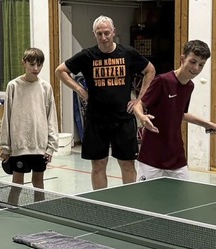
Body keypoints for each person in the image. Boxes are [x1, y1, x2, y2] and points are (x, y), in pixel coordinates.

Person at [55, 15, 155, 189]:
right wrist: (80, 90)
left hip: (123, 118)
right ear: (94, 34)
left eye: (107, 33)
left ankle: (130, 204)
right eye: (99, 33)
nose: (103, 37)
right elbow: (60, 71)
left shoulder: (128, 53)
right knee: (98, 165)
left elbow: (150, 70)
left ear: (113, 32)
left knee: (127, 165)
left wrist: (139, 100)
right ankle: (102, 204)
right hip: (96, 120)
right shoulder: (87, 55)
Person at [132, 40, 216, 180]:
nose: (196, 68)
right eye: (193, 62)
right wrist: (142, 117)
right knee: (144, 200)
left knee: (182, 199)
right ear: (182, 58)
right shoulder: (162, 81)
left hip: (176, 156)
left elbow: (181, 113)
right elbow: (139, 105)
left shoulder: (189, 86)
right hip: (151, 156)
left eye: (201, 65)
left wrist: (208, 124)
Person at [0, 47, 58, 191]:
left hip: (40, 147)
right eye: (32, 64)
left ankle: (40, 211)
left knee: (38, 183)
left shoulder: (46, 87)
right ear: (23, 63)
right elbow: (7, 117)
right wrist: (6, 147)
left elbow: (52, 118)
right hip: (19, 147)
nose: (36, 68)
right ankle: (12, 211)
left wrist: (50, 147)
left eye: (39, 64)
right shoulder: (13, 86)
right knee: (17, 183)